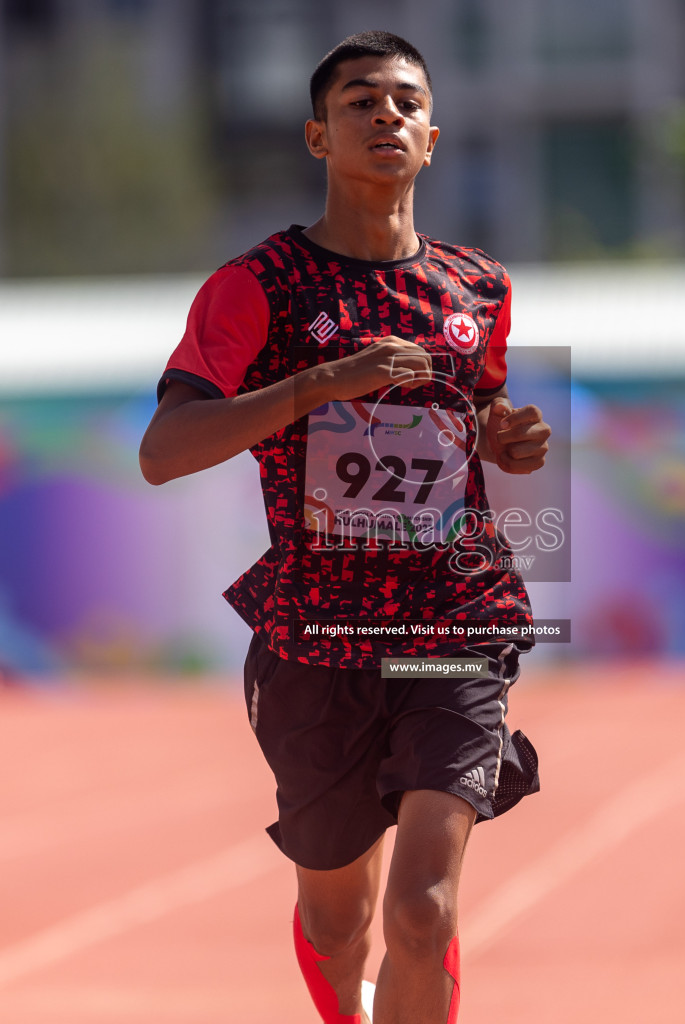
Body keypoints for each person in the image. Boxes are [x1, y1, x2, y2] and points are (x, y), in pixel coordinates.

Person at [140, 31, 549, 1024]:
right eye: (361, 101)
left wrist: (504, 440)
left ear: (434, 136)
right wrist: (326, 381)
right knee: (338, 920)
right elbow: (165, 448)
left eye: (406, 101)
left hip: (451, 622)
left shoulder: (476, 289)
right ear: (319, 136)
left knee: (422, 909)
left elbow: (476, 410)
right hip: (318, 635)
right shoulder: (259, 287)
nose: (386, 116)